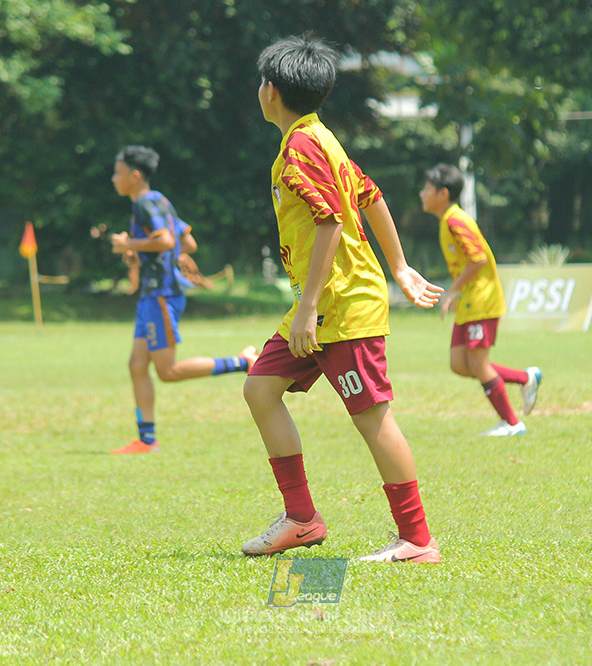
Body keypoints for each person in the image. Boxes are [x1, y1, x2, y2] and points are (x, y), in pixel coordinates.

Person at [241, 34, 445, 563]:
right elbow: (370, 194)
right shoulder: (316, 137)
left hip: (341, 306)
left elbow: (331, 221)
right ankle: (302, 519)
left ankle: (417, 541)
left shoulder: (304, 147)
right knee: (261, 389)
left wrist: (308, 307)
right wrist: (398, 265)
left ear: (272, 91)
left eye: (262, 81)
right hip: (320, 305)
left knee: (372, 417)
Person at [108, 145, 258, 455]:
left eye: (118, 173)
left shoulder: (144, 205)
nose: (114, 178)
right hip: (153, 293)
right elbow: (186, 241)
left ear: (135, 176)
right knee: (137, 365)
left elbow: (164, 241)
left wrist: (127, 244)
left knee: (167, 371)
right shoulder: (160, 200)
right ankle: (147, 441)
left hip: (161, 294)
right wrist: (146, 249)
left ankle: (242, 362)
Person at [419, 163, 542, 436]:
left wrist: (452, 290)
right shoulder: (447, 220)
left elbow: (478, 260)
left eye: (427, 189)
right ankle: (525, 378)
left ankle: (511, 423)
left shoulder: (455, 220)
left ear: (443, 193)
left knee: (477, 363)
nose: (421, 194)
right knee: (459, 364)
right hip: (470, 302)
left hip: (481, 300)